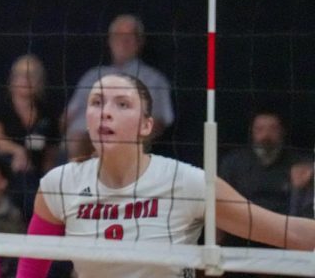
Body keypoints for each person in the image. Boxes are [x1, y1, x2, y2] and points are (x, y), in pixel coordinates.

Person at [16, 73, 315, 278]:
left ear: (146, 125)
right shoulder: (60, 185)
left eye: (122, 104)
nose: (106, 112)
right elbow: (29, 271)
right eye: (97, 102)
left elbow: (290, 233)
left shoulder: (186, 183)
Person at [61, 15, 174, 159]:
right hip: (82, 145)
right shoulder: (92, 76)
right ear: (109, 40)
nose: (123, 41)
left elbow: (158, 122)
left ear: (140, 42)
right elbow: (67, 117)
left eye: (130, 36)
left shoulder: (154, 79)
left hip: (126, 147)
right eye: (118, 35)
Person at [218, 112, 308, 277]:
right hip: (242, 242)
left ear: (282, 132)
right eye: (260, 129)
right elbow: (218, 207)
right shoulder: (233, 163)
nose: (266, 135)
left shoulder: (300, 164)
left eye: (272, 129)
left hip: (285, 243)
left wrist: (303, 184)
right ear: (251, 132)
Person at [0, 54, 59, 218]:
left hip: (35, 175)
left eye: (31, 76)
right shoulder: (0, 106)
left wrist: (50, 180)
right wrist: (18, 151)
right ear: (12, 79)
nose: (25, 80)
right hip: (1, 169)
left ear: (40, 81)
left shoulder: (47, 113)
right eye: (21, 75)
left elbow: (51, 154)